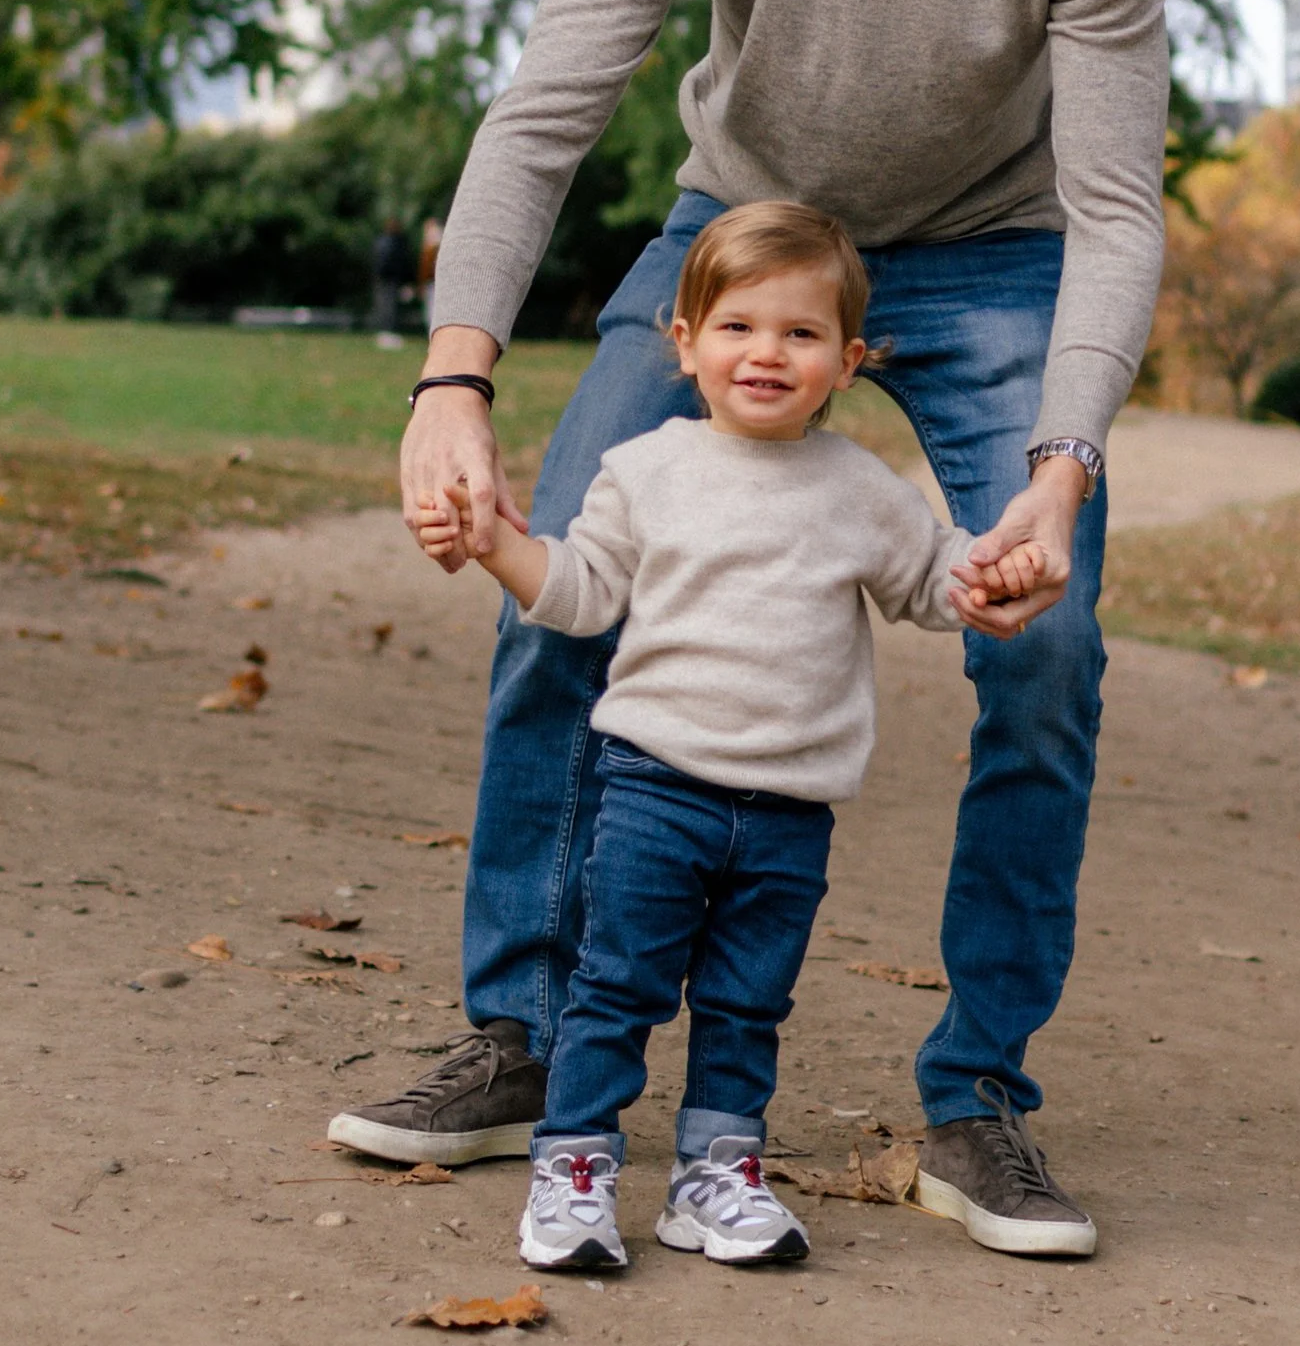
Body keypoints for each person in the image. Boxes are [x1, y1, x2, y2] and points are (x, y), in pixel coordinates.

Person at [331, 0, 1169, 1258]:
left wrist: (1061, 463)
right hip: (746, 232)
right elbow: (544, 116)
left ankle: (979, 1106)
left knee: (1053, 639)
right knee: (557, 557)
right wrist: (451, 380)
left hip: (997, 242)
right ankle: (527, 1033)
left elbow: (1114, 204)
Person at [411, 200, 1043, 1273]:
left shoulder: (858, 491)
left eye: (799, 334)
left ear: (847, 361)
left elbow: (931, 579)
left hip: (790, 813)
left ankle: (716, 1174)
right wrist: (490, 547)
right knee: (618, 989)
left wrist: (993, 579)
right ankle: (574, 1168)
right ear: (686, 343)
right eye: (739, 327)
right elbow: (575, 591)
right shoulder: (648, 470)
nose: (766, 354)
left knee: (749, 1004)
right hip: (654, 792)